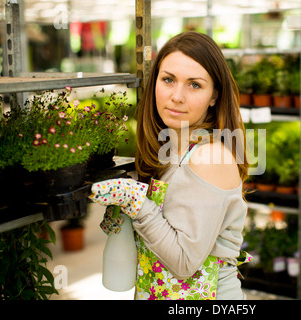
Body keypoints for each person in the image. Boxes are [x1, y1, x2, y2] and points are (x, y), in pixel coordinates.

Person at [90, 31, 251, 300]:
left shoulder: (210, 157)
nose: (177, 96)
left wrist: (137, 202)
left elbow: (184, 263)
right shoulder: (166, 152)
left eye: (195, 85)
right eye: (168, 80)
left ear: (214, 96)